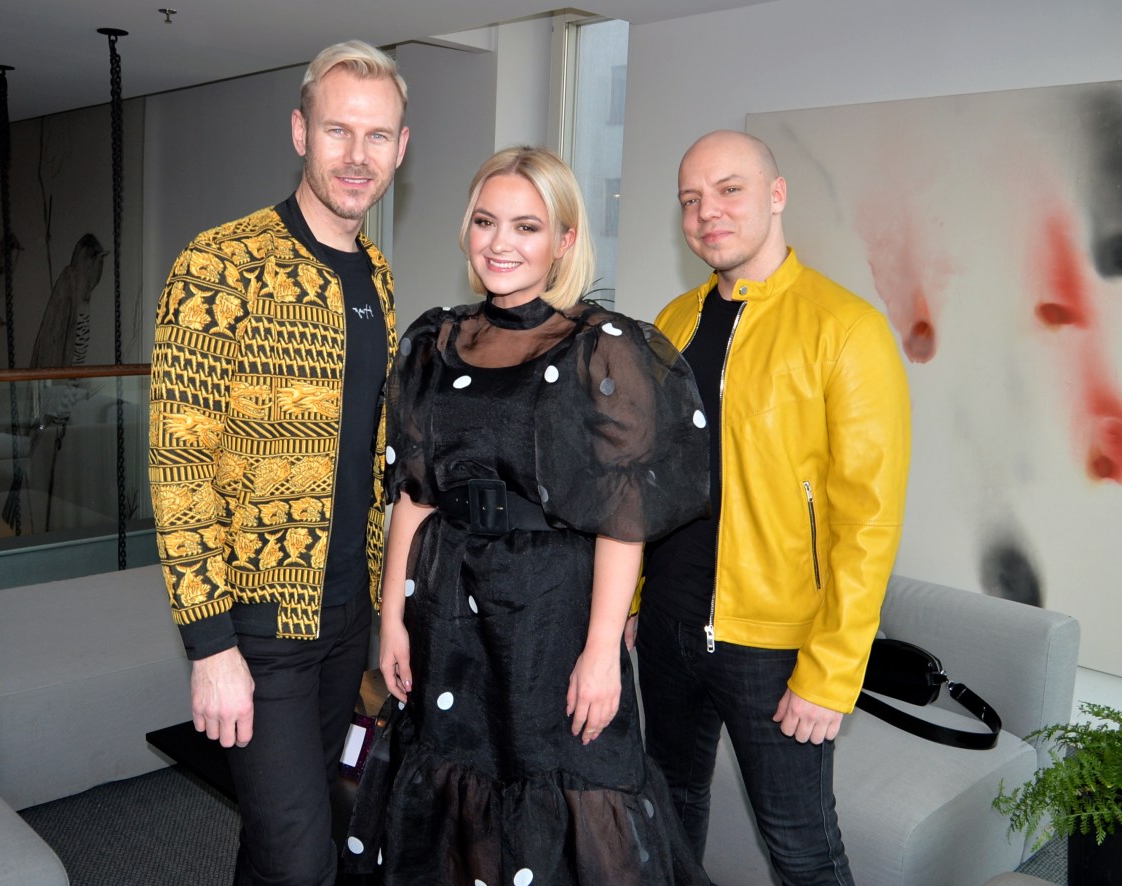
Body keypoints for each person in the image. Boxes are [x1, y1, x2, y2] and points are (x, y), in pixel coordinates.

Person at [343, 146, 712, 885]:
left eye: (526, 226)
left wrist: (602, 652)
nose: (500, 243)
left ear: (564, 240)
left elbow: (623, 518)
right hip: (447, 610)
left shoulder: (603, 349)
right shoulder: (433, 342)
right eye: (485, 222)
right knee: (455, 796)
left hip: (551, 618)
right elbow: (413, 494)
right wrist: (392, 620)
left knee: (568, 792)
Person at [148, 40, 409, 886]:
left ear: (401, 147)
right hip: (259, 622)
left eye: (377, 135)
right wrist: (209, 646)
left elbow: (372, 455)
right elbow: (179, 463)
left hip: (346, 619)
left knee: (281, 838)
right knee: (302, 860)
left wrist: (386, 613)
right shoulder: (219, 265)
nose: (357, 155)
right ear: (301, 132)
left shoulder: (378, 278)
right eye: (338, 130)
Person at [634, 130, 911, 885]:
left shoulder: (846, 328)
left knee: (802, 852)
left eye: (729, 190)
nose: (708, 212)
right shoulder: (673, 320)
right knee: (666, 817)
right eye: (691, 199)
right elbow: (644, 476)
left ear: (777, 194)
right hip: (668, 625)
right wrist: (631, 599)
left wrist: (832, 672)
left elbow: (868, 520)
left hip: (775, 644)